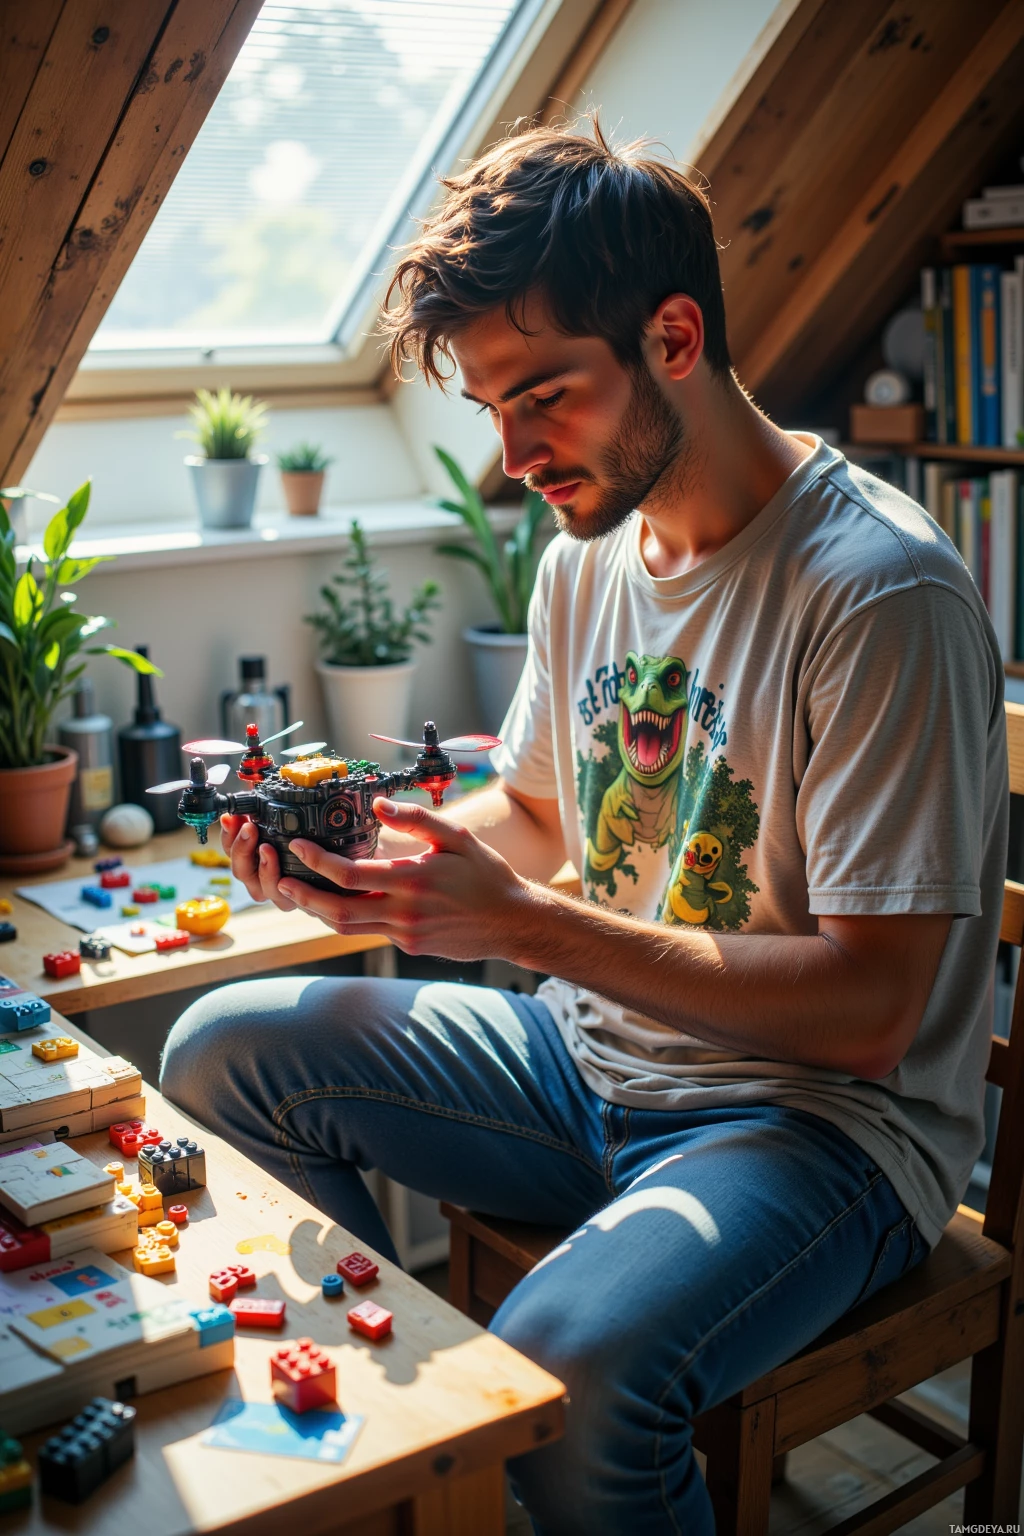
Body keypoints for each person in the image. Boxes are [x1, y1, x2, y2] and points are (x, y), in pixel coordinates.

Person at [161, 123, 1007, 1535]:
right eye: (493, 408)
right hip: (588, 1061)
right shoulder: (584, 558)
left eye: (543, 394)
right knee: (221, 1053)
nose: (513, 452)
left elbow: (872, 1013)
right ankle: (398, 1459)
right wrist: (377, 883)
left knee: (570, 1370)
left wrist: (524, 925)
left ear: (674, 336)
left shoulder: (878, 597)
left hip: (817, 1130)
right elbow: (544, 814)